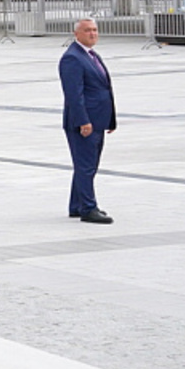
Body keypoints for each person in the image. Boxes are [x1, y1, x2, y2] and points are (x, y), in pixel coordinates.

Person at [59, 17, 115, 224]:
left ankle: (77, 205)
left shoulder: (91, 55)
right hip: (84, 122)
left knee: (86, 164)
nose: (92, 33)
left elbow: (102, 88)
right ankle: (88, 208)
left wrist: (109, 120)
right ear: (77, 34)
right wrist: (84, 121)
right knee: (86, 166)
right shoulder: (72, 58)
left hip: (98, 119)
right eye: (87, 30)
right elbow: (74, 94)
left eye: (95, 30)